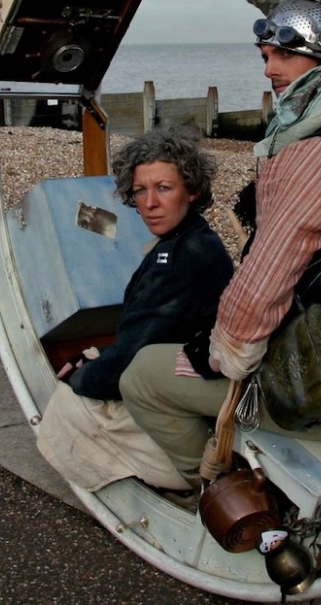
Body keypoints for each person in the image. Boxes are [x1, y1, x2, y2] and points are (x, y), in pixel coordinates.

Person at [120, 0, 321, 488]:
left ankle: (212, 493)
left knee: (142, 375)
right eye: (265, 56)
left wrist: (218, 353)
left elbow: (265, 282)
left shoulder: (317, 153)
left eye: (282, 56)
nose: (269, 68)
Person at [36, 127, 234, 495]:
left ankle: (187, 489)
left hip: (180, 391)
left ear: (191, 191)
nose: (149, 203)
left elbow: (135, 358)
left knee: (68, 405)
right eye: (140, 191)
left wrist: (79, 380)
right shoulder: (195, 241)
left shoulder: (178, 260)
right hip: (186, 372)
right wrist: (95, 358)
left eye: (163, 188)